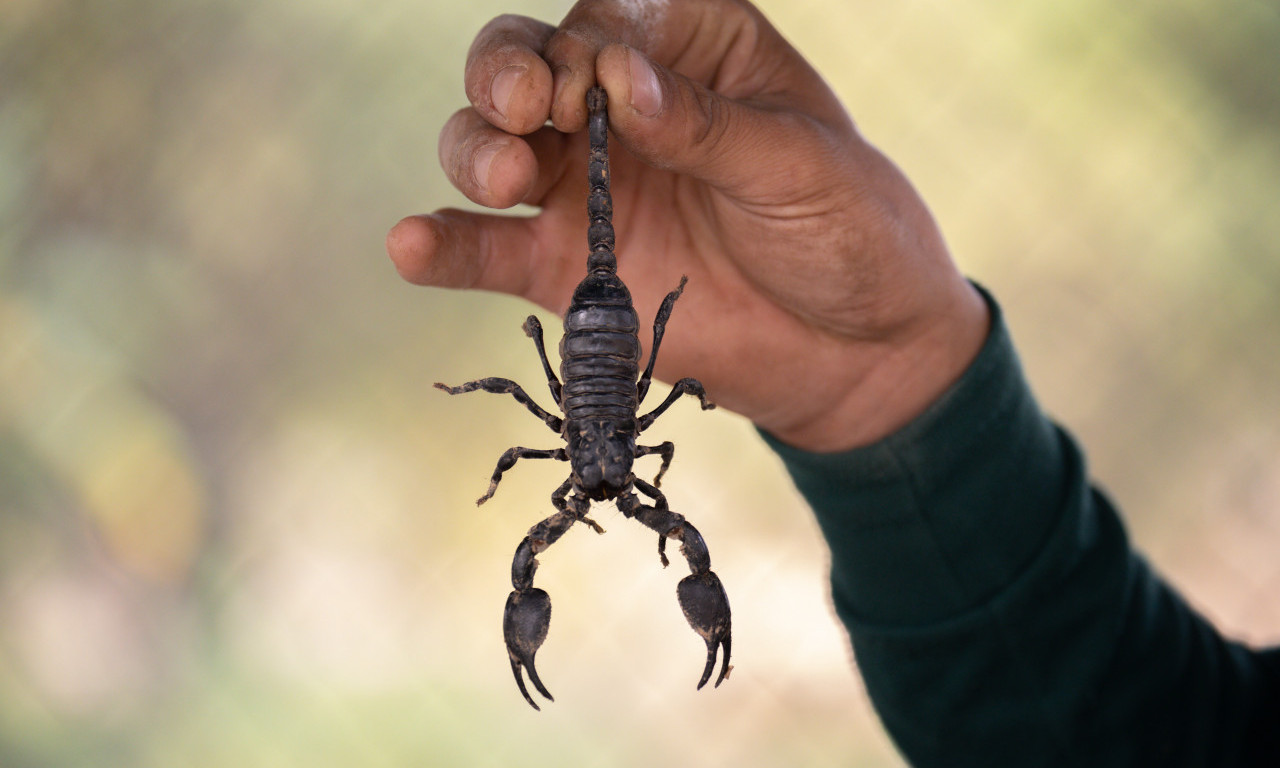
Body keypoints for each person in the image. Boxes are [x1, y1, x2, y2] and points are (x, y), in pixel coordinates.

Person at [385, 0, 1280, 764]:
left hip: (595, 349)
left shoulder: (585, 475)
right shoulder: (638, 459)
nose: (615, 498)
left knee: (552, 493)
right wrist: (889, 390)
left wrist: (879, 393)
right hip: (614, 349)